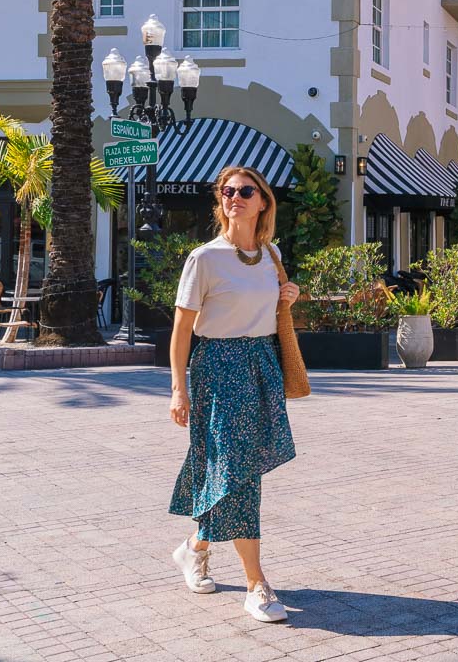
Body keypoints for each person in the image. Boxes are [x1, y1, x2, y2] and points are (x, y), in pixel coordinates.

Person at [166, 165, 299, 624]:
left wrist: (287, 296)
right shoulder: (204, 259)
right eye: (227, 191)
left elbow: (265, 309)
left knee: (234, 465)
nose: (235, 198)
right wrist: (178, 389)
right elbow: (182, 331)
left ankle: (194, 548)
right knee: (238, 468)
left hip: (260, 366)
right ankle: (256, 584)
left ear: (263, 201)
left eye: (245, 191)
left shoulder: (271, 254)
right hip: (218, 370)